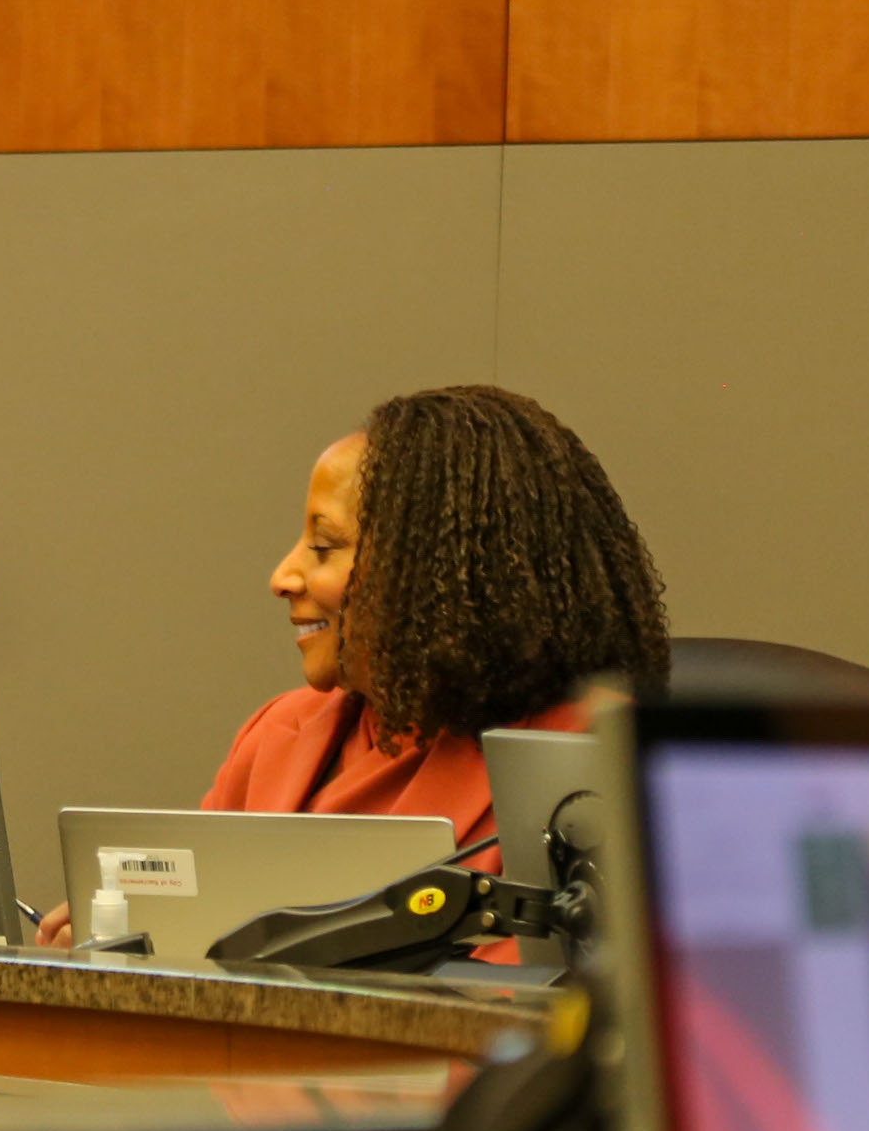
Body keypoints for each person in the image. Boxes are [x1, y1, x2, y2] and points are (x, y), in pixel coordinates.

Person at [42, 384, 668, 942]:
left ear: (437, 573)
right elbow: (194, 939)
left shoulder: (598, 762)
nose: (283, 575)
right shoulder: (278, 734)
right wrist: (127, 941)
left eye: (324, 546)